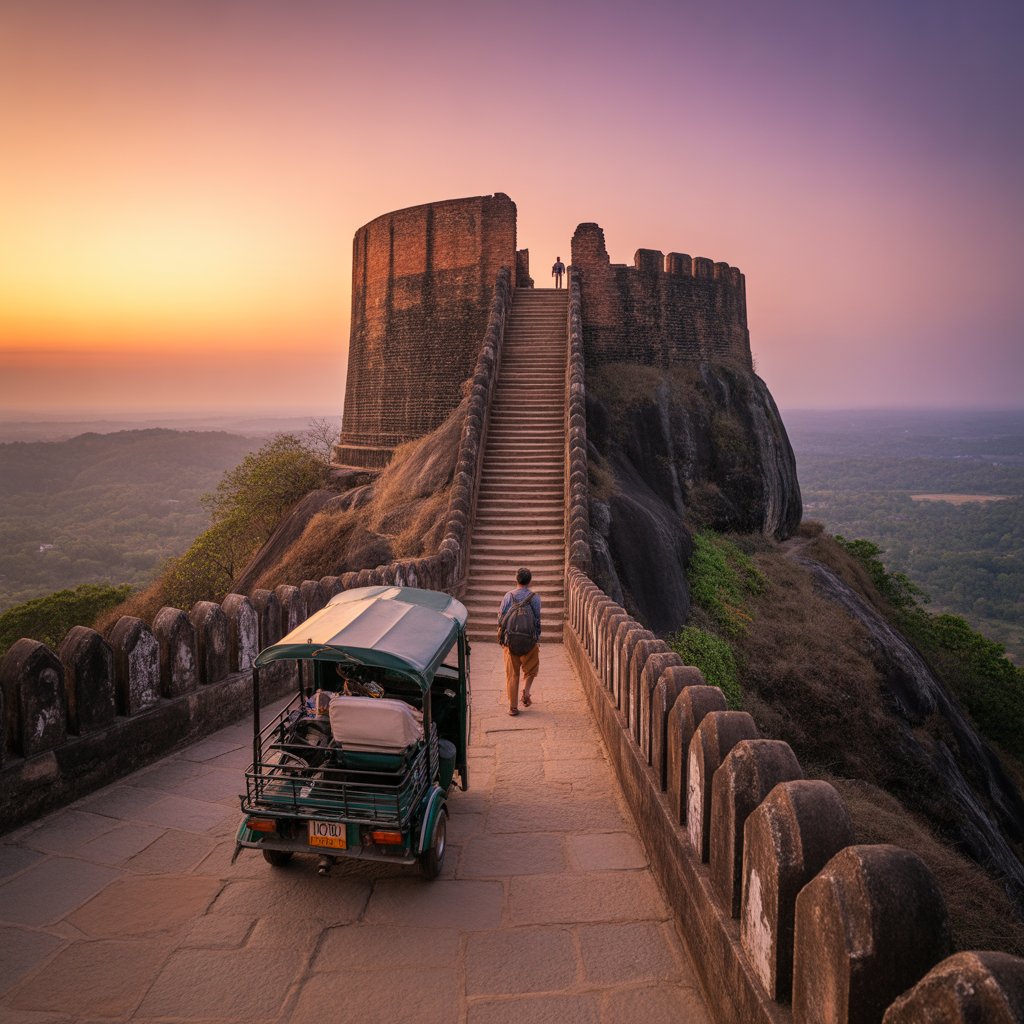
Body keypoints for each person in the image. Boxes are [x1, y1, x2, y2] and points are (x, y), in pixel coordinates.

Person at [498, 567, 541, 716]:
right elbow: (537, 620)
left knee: (513, 674)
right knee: (531, 669)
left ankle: (513, 707)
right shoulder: (535, 598)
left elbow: (500, 619)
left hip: (511, 642)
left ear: (516, 579)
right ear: (530, 581)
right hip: (529, 641)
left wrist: (502, 638)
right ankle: (526, 691)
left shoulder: (508, 596)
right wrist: (536, 639)